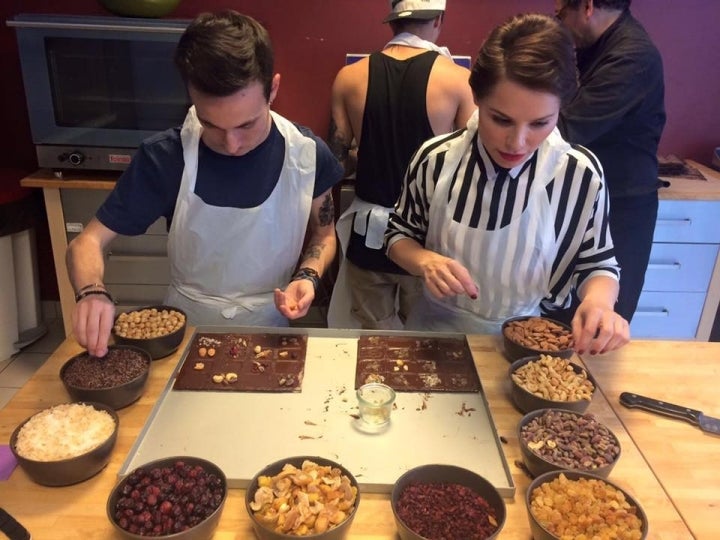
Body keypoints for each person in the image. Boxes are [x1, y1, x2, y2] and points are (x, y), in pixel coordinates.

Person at [66, 11, 343, 357]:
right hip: (186, 325)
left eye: (246, 125)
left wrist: (308, 275)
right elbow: (87, 242)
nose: (231, 144)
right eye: (211, 124)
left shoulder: (306, 156)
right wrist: (92, 291)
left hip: (270, 323)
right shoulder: (166, 157)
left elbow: (324, 233)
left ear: (272, 88)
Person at [386, 13, 630, 355]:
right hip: (435, 334)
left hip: (527, 342)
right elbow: (398, 235)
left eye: (540, 123)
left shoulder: (579, 174)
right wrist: (424, 260)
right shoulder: (436, 159)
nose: (517, 142)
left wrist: (600, 303)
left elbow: (598, 262)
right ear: (477, 98)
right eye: (500, 119)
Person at [326, 0, 475, 329]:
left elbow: (335, 164)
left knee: (373, 342)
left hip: (368, 233)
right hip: (428, 241)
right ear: (438, 19)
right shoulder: (458, 80)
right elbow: (469, 172)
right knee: (425, 344)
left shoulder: (349, 78)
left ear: (392, 22)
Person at [551, 0, 665, 323]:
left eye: (561, 14)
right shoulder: (598, 47)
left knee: (598, 321)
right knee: (561, 323)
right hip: (589, 197)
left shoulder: (631, 57)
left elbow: (567, 128)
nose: (560, 22)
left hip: (621, 209)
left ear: (587, 6)